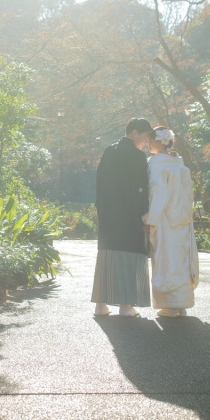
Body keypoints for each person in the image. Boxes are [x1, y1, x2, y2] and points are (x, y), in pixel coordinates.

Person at [91, 117, 153, 317]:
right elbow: (141, 189)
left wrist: (101, 209)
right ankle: (126, 306)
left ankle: (100, 305)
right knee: (129, 258)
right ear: (134, 132)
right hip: (130, 215)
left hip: (109, 214)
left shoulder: (109, 151)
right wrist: (144, 216)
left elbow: (99, 183)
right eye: (144, 137)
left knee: (107, 258)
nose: (146, 142)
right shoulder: (137, 156)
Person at [142, 126, 199, 317]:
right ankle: (181, 304)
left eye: (150, 139)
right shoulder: (178, 162)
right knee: (181, 259)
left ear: (159, 141)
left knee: (166, 259)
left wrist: (150, 219)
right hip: (182, 218)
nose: (148, 143)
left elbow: (158, 193)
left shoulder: (156, 163)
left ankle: (169, 304)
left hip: (165, 217)